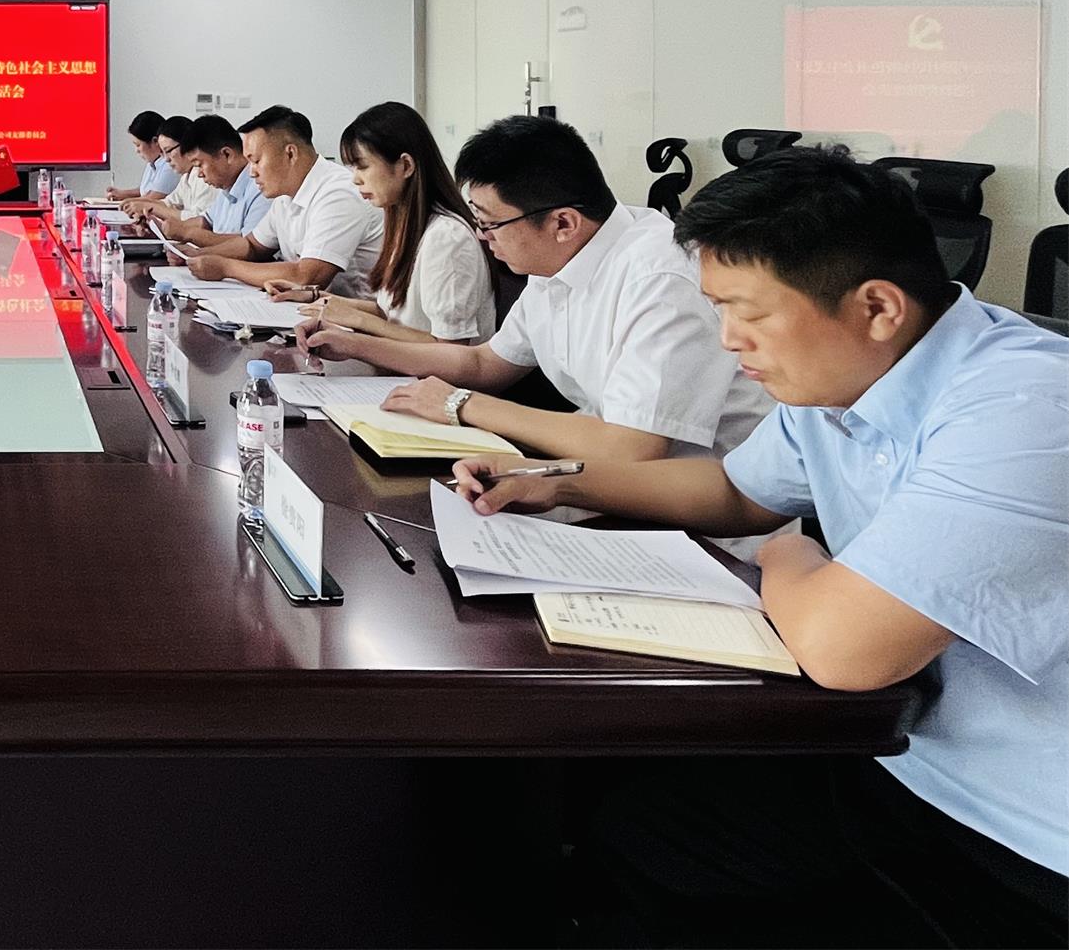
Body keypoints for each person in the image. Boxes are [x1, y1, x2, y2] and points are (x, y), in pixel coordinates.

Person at [453, 148, 1067, 948]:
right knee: (633, 826)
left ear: (876, 307)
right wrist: (557, 483)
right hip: (900, 751)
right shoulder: (842, 371)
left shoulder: (1025, 409)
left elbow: (845, 651)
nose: (727, 341)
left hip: (1022, 834)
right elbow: (736, 491)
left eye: (745, 313)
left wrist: (787, 557)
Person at [303, 114, 770, 476]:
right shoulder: (558, 259)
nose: (482, 236)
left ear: (563, 222)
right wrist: (355, 344)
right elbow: (484, 364)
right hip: (608, 476)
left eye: (490, 223)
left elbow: (632, 446)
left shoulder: (658, 278)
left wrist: (459, 405)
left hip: (708, 521)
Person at [277, 101, 496, 343]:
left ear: (406, 165)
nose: (355, 180)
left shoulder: (447, 238)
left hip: (429, 368)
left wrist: (359, 321)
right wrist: (317, 298)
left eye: (363, 166)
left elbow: (450, 348)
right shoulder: (403, 224)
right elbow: (389, 312)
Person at [187, 105, 382, 293]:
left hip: (353, 311)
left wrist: (226, 268)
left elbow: (307, 277)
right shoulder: (284, 196)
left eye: (256, 161)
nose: (252, 172)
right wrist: (198, 255)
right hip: (315, 307)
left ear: (290, 153)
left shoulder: (338, 192)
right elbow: (252, 246)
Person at [153, 115, 272, 247]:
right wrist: (164, 228)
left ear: (227, 154)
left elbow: (249, 246)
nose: (199, 174)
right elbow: (205, 221)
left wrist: (188, 234)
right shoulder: (227, 187)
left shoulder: (260, 188)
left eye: (199, 165)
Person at [123, 116, 214, 225]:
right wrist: (143, 207)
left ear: (186, 145)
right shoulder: (187, 177)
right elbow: (169, 203)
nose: (166, 159)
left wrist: (152, 208)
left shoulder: (204, 176)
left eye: (169, 151)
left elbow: (200, 220)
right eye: (162, 153)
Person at [106, 110, 172, 202]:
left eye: (138, 145)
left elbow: (153, 197)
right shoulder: (153, 162)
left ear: (155, 141)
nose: (136, 150)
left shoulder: (170, 164)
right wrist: (123, 194)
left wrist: (126, 202)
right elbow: (145, 191)